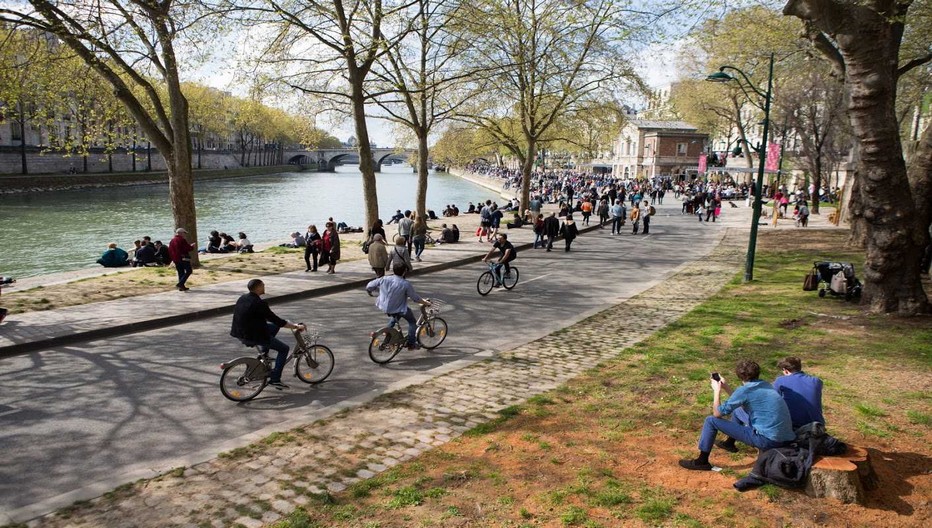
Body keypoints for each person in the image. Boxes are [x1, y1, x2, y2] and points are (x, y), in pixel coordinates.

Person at [678, 359, 795, 471]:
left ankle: (702, 461)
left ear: (739, 376)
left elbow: (717, 413)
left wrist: (716, 391)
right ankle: (729, 443)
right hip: (786, 437)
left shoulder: (744, 390)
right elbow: (741, 401)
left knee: (710, 420)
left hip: (767, 440)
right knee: (737, 410)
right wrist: (726, 387)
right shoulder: (766, 385)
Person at [230, 279, 306, 390]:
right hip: (253, 334)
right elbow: (276, 320)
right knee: (284, 349)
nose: (264, 287)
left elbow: (271, 321)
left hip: (240, 332)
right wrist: (296, 326)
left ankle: (264, 354)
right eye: (263, 285)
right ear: (258, 287)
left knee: (274, 327)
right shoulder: (259, 303)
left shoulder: (243, 298)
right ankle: (275, 379)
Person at [365, 263, 431, 350]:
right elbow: (415, 298)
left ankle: (388, 331)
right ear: (404, 272)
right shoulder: (405, 284)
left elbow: (369, 286)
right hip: (397, 308)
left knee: (395, 317)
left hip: (383, 306)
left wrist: (373, 291)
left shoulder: (384, 279)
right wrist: (425, 303)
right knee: (412, 322)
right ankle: (411, 344)